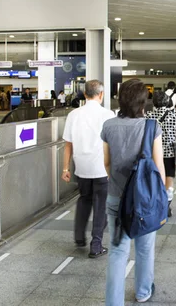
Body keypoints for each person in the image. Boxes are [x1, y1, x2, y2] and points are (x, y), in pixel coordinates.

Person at [102, 79, 165, 305]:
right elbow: (158, 167)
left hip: (116, 197)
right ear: (142, 102)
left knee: (117, 252)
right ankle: (143, 291)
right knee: (145, 249)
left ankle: (113, 302)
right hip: (145, 200)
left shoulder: (108, 126)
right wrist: (164, 194)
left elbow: (106, 163)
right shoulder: (151, 126)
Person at [61, 80, 114, 259]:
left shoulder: (74, 115)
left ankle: (79, 238)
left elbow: (68, 144)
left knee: (84, 199)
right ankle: (96, 244)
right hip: (101, 168)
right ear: (101, 95)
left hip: (81, 167)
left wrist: (65, 168)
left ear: (84, 95)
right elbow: (112, 144)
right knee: (101, 205)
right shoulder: (108, 115)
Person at [146, 91, 176, 217]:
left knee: (154, 179)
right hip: (169, 154)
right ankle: (166, 206)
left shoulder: (149, 116)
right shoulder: (173, 116)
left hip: (153, 154)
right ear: (168, 102)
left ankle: (155, 203)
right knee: (169, 179)